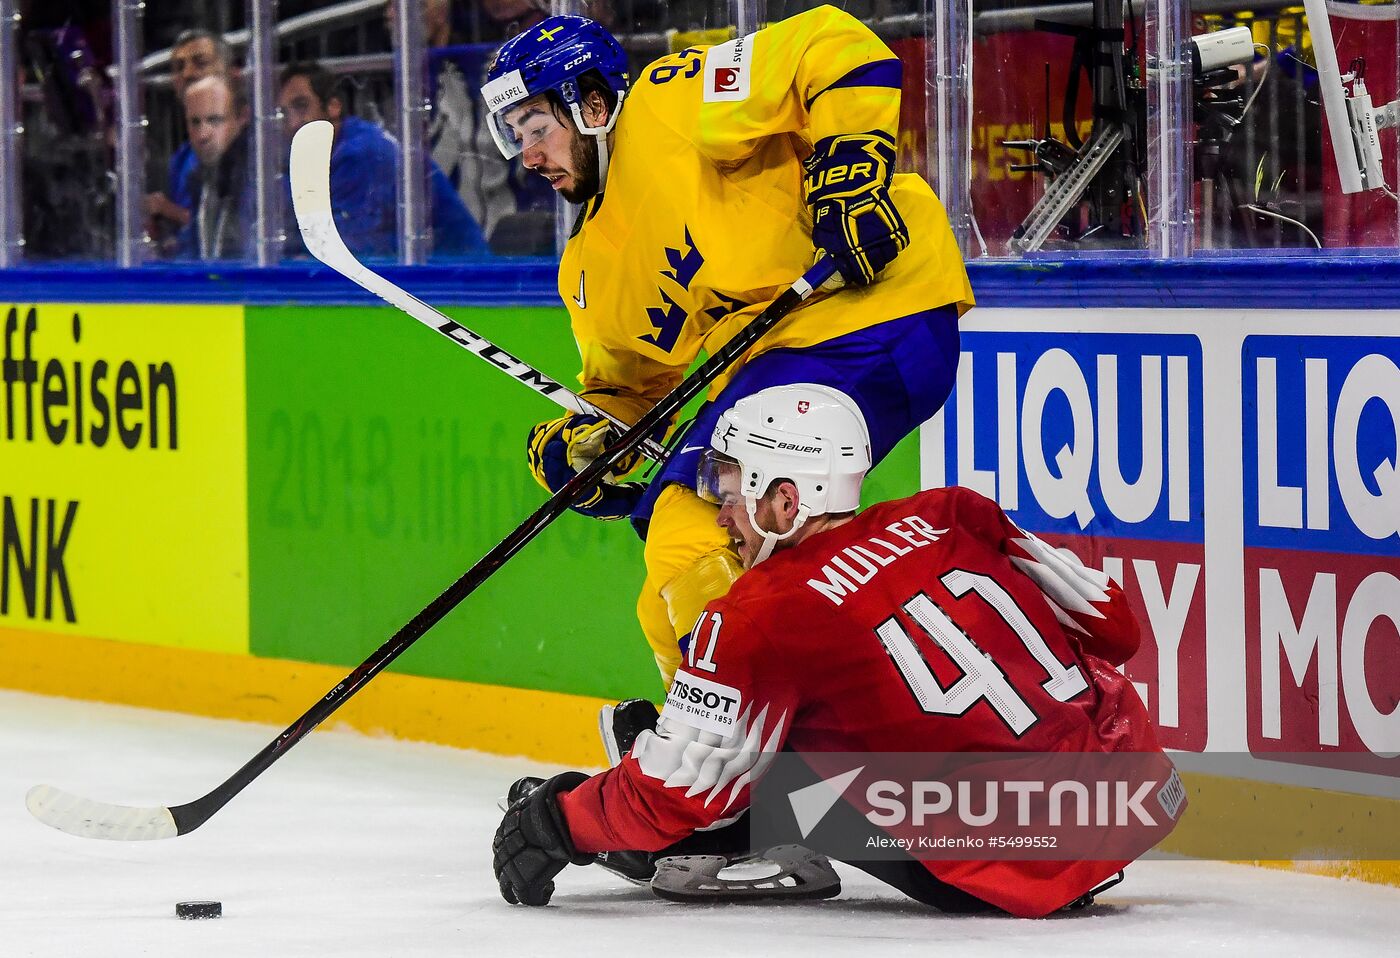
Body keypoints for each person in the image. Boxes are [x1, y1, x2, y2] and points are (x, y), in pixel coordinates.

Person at [491, 384, 1184, 918]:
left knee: (714, 757)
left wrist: (559, 818)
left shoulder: (763, 613)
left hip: (1009, 869)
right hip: (1127, 797)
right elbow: (1116, 630)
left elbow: (681, 790)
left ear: (786, 502)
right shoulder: (951, 513)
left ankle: (732, 842)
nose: (720, 513)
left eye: (730, 491)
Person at [480, 7, 974, 690]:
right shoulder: (586, 270)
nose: (528, 156)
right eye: (514, 137)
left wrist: (851, 163)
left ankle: (744, 747)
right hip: (790, 365)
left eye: (537, 128)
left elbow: (834, 43)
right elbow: (627, 389)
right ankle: (721, 746)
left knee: (691, 525)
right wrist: (587, 441)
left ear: (592, 103)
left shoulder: (668, 101)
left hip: (871, 305)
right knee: (668, 598)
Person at [278, 61, 486, 258]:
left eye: (301, 106)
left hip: (461, 279)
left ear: (333, 107)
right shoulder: (313, 158)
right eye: (284, 113)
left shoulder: (360, 153)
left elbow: (349, 249)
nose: (293, 122)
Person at [146, 28, 236, 252]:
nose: (187, 73)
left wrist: (167, 210)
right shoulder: (183, 156)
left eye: (200, 62)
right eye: (178, 67)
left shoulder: (254, 150)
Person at [172, 73, 253, 260]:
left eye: (215, 120)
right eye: (194, 122)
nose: (203, 135)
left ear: (243, 117)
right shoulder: (200, 179)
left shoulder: (260, 176)